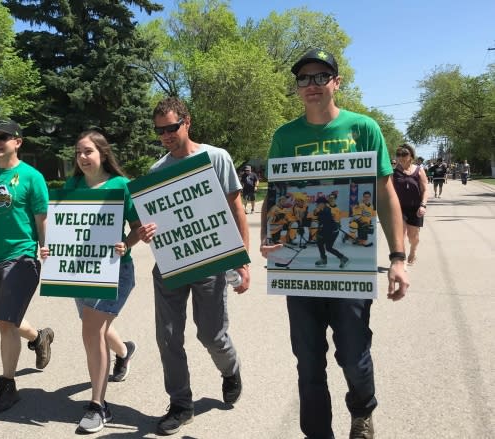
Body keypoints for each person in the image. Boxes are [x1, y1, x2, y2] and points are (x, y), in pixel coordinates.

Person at [260, 49, 409, 439]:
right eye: (304, 79)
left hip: (353, 272)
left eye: (320, 76)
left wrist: (398, 257)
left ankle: (362, 411)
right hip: (302, 274)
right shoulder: (285, 136)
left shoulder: (363, 128)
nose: (311, 85)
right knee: (308, 362)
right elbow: (276, 196)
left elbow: (384, 193)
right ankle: (317, 433)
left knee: (353, 357)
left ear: (336, 82)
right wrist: (268, 239)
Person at [136, 97, 251, 436]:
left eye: (171, 127)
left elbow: (235, 209)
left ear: (187, 122)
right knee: (168, 337)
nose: (166, 136)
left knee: (211, 334)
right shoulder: (157, 172)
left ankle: (230, 371)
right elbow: (151, 223)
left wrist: (242, 261)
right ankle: (181, 404)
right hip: (171, 265)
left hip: (211, 262)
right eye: (159, 131)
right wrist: (145, 232)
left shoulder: (216, 158)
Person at [39, 130, 142, 434]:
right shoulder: (71, 187)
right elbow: (61, 226)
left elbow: (137, 227)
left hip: (115, 271)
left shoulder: (121, 186)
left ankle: (98, 406)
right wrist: (49, 247)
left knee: (91, 329)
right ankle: (124, 352)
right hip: (78, 271)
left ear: (102, 153)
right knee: (95, 326)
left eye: (88, 152)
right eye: (78, 152)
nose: (82, 158)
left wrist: (127, 243)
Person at [0, 119, 54, 414]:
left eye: (3, 137)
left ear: (18, 142)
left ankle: (7, 386)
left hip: (23, 258)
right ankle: (38, 336)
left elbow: (41, 218)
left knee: (6, 323)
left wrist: (47, 248)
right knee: (3, 321)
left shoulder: (32, 177)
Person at [392, 144, 428, 266]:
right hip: (399, 209)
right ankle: (401, 260)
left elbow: (425, 190)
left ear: (411, 156)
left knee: (413, 237)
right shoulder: (393, 172)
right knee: (400, 236)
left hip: (415, 208)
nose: (401, 157)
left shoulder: (419, 170)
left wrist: (423, 205)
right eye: (399, 154)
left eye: (404, 154)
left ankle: (413, 251)